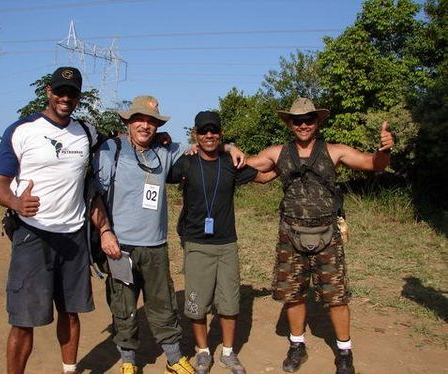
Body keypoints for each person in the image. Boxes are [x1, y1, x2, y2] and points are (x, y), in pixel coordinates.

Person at [90, 97, 245, 374]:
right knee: (123, 305)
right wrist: (105, 233)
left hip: (155, 245)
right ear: (128, 122)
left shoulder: (167, 150)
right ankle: (128, 362)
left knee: (163, 305)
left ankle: (174, 359)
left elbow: (207, 146)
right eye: (139, 119)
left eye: (152, 121)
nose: (145, 125)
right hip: (119, 246)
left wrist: (230, 146)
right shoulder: (110, 150)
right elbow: (94, 196)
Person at [246, 98, 394, 374]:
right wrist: (226, 150)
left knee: (337, 297)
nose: (303, 125)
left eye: (309, 120)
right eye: (297, 120)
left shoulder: (335, 151)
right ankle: (297, 345)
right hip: (290, 235)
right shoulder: (278, 153)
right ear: (290, 123)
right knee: (293, 294)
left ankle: (344, 352)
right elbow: (245, 165)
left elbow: (374, 164)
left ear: (318, 122)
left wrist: (383, 149)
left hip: (328, 236)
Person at [0, 66, 97, 374]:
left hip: (73, 236)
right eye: (60, 91)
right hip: (32, 236)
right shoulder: (21, 130)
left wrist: (162, 137)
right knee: (24, 321)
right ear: (48, 92)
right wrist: (15, 202)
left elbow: (121, 140)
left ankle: (69, 370)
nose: (65, 97)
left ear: (78, 98)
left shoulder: (87, 132)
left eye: (72, 93)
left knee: (71, 313)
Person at [166, 111, 275, 374]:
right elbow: (160, 167)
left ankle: (228, 353)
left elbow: (263, 175)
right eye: (203, 131)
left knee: (229, 302)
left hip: (226, 243)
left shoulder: (230, 162)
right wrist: (161, 138)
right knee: (196, 301)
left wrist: (289, 161)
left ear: (220, 133)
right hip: (196, 243)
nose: (209, 135)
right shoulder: (186, 162)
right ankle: (203, 352)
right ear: (195, 134)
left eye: (214, 130)